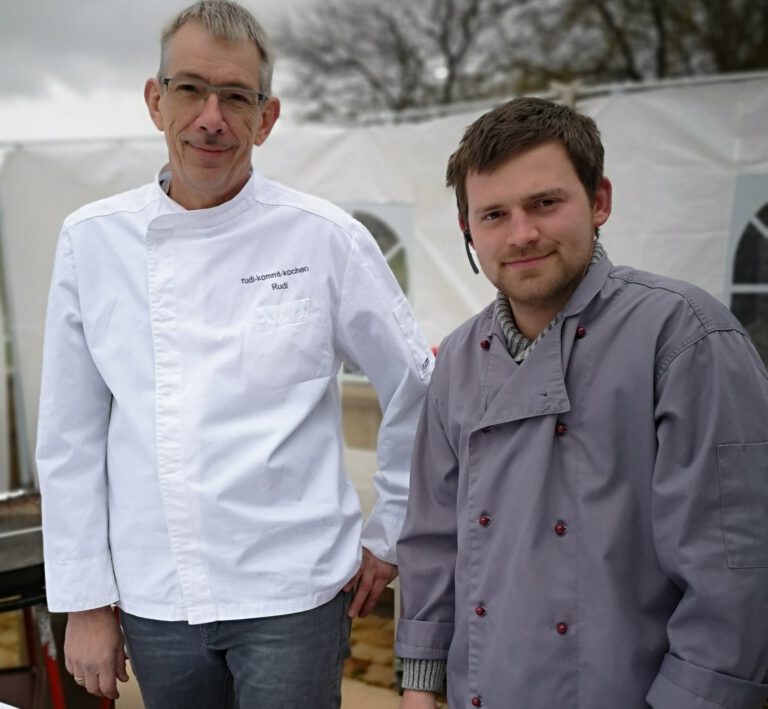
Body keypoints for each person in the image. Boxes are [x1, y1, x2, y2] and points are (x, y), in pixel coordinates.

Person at [36, 2, 433, 707]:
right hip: (157, 596)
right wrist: (85, 600)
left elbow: (416, 385)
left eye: (236, 97)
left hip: (294, 594)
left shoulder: (323, 239)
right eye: (190, 89)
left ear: (267, 118)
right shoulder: (92, 240)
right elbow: (69, 436)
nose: (211, 117)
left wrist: (391, 530)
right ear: (156, 101)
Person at [395, 97, 768, 709]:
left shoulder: (687, 337)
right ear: (469, 232)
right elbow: (434, 540)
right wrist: (418, 685)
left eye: (544, 203)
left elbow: (733, 573)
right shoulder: (459, 358)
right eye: (494, 214)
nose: (521, 234)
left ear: (599, 202)